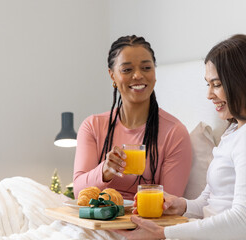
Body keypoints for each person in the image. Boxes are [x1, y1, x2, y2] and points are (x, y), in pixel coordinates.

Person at [117, 34, 246, 240]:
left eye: (216, 84)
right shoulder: (234, 132)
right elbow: (211, 202)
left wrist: (164, 233)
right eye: (208, 84)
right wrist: (181, 205)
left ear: (244, 83)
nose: (209, 95)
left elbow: (245, 221)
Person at [73, 35, 192, 200]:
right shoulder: (92, 126)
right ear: (112, 75)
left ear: (154, 73)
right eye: (127, 70)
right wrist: (104, 171)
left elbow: (169, 204)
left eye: (146, 68)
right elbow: (78, 192)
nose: (138, 75)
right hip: (94, 221)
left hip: (144, 223)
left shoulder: (174, 132)